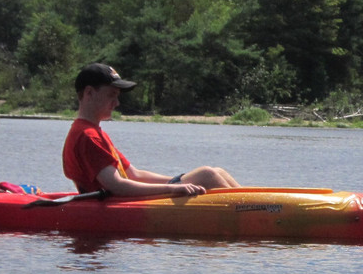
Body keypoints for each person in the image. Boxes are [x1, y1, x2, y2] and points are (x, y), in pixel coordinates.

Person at [62, 63, 240, 197]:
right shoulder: (88, 136)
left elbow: (134, 174)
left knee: (216, 172)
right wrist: (174, 188)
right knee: (207, 174)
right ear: (89, 93)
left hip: (125, 200)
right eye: (111, 95)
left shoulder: (94, 132)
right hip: (117, 204)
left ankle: (259, 208)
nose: (117, 103)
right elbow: (116, 186)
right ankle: (255, 213)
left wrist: (178, 181)